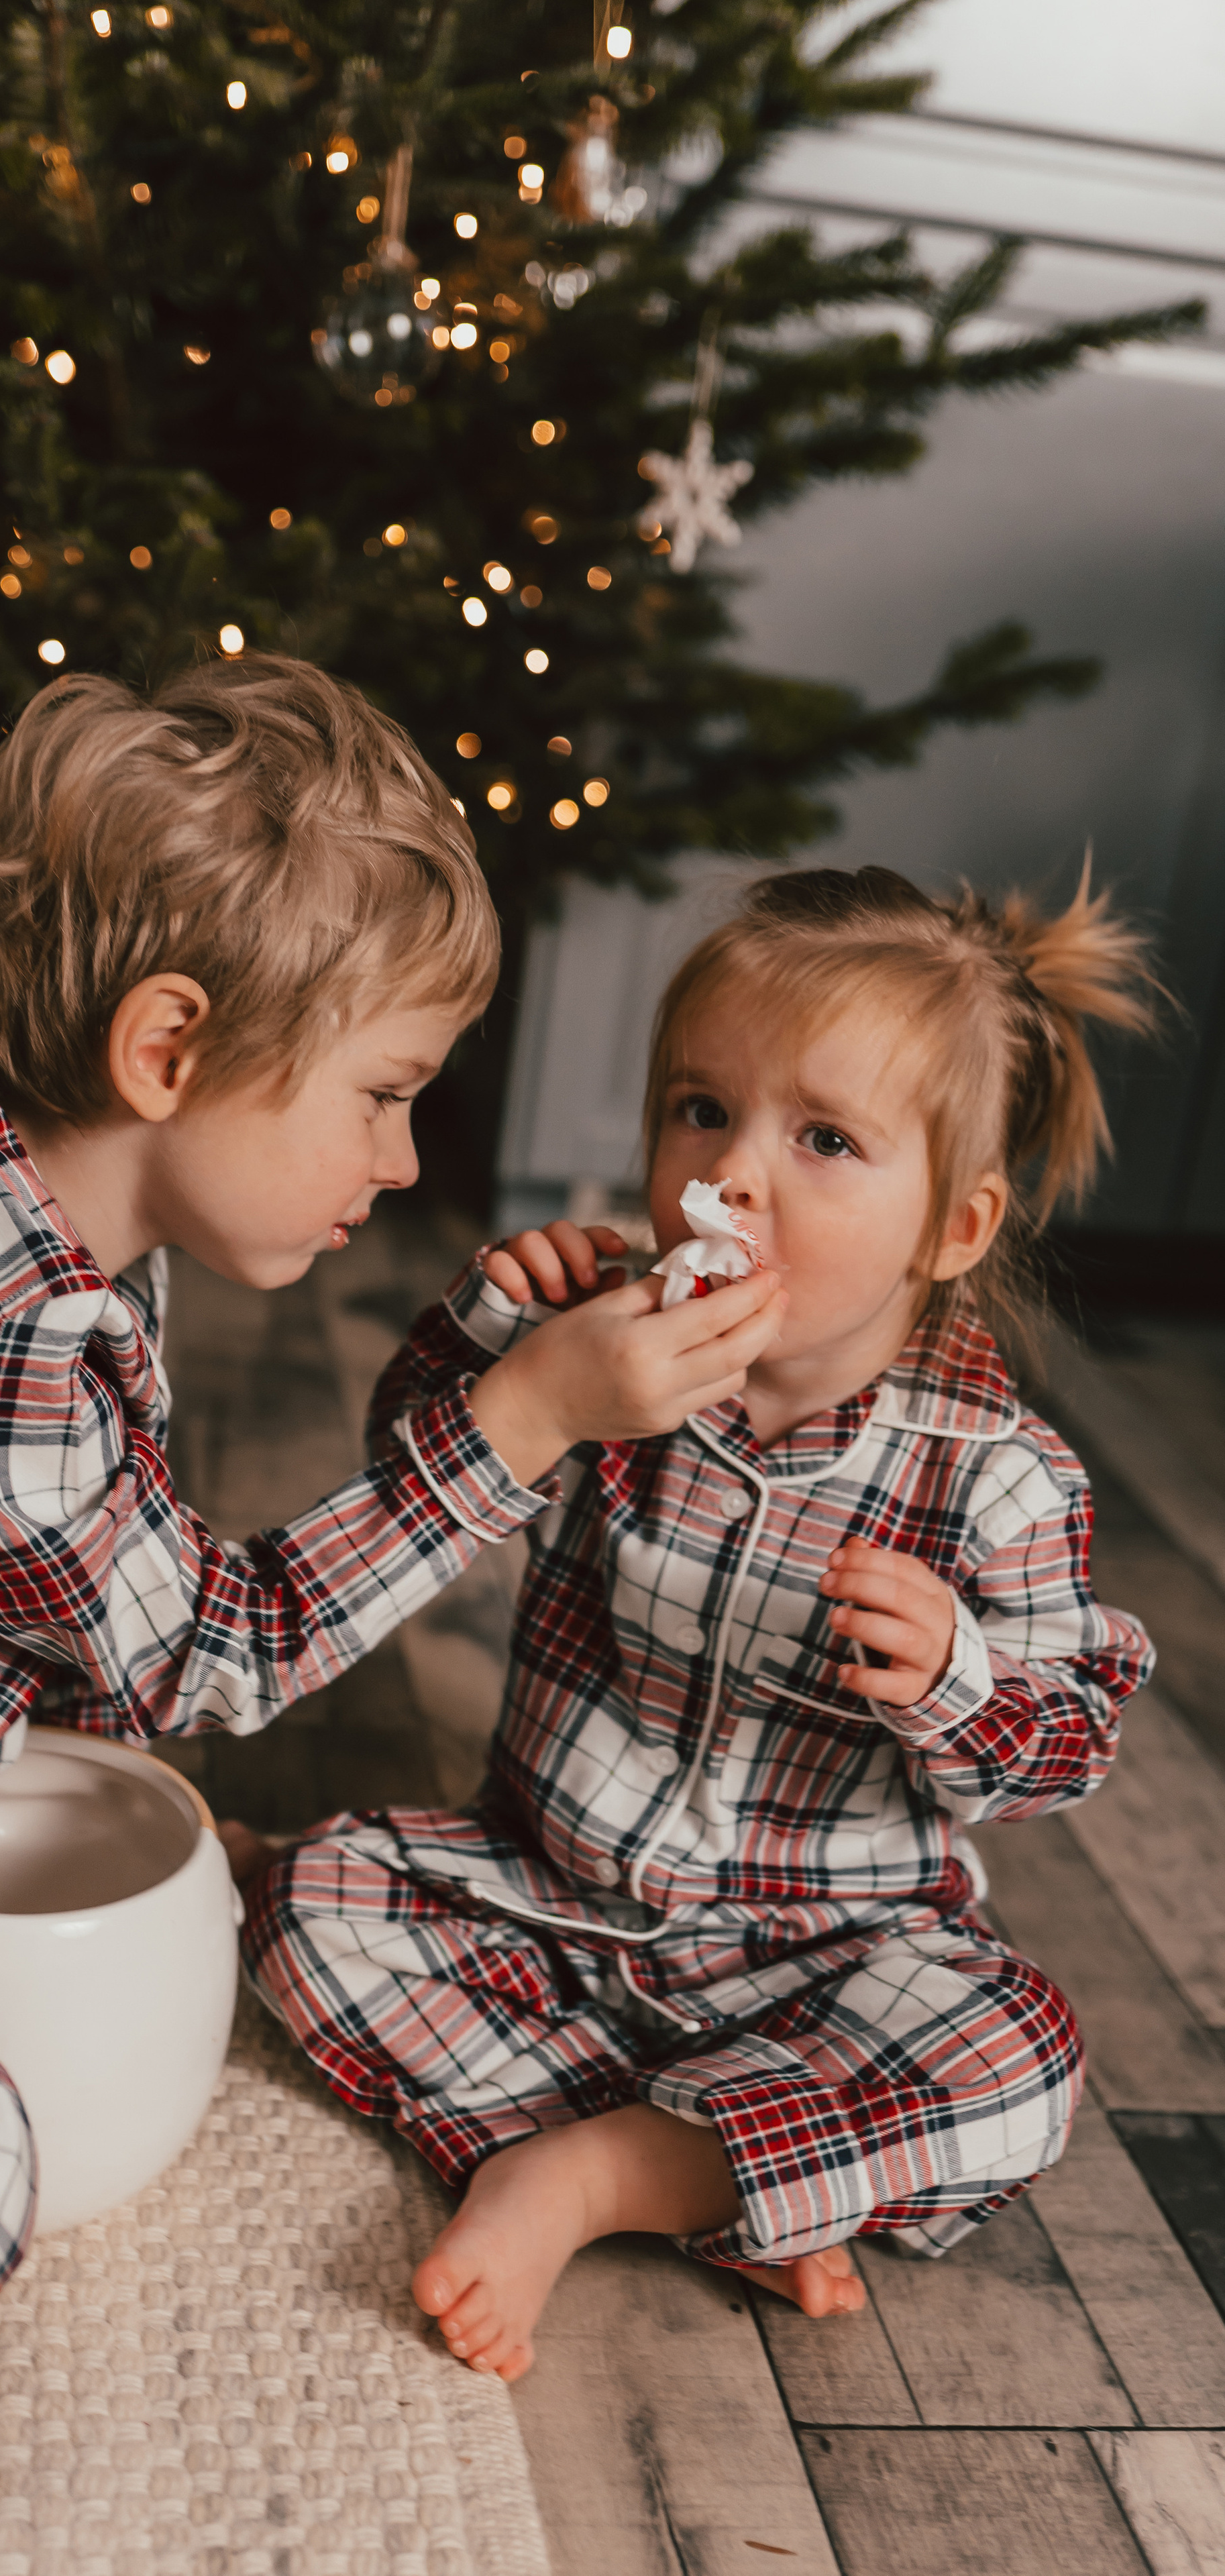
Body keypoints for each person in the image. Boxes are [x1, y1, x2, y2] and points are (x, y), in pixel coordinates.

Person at [0, 653, 781, 2576]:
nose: (404, 1159)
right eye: (381, 1094)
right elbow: (205, 1650)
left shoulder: (9, 1177)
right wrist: (524, 1425)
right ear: (170, 1053)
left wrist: (496, 1367)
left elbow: (115, 1567)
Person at [242, 861, 1159, 2385]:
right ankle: (730, 2171)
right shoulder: (607, 1351)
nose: (728, 1176)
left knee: (1016, 2061)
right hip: (550, 1898)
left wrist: (957, 1678)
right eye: (696, 1109)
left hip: (823, 1957)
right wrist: (496, 1342)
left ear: (950, 1224)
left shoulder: (992, 1481)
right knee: (308, 1901)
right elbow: (413, 1471)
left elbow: (1059, 1750)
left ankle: (588, 2173)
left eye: (820, 1140)